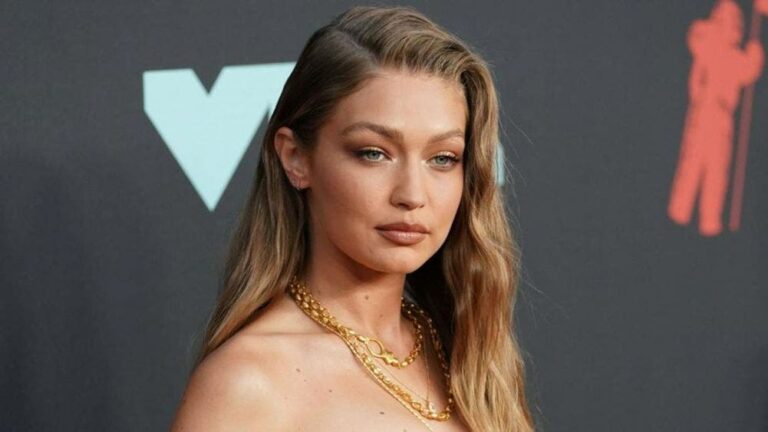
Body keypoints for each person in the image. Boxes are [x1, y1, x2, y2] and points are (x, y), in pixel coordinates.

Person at [170, 5, 534, 432]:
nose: (412, 195)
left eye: (442, 158)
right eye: (373, 153)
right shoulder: (248, 384)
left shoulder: (468, 354)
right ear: (295, 158)